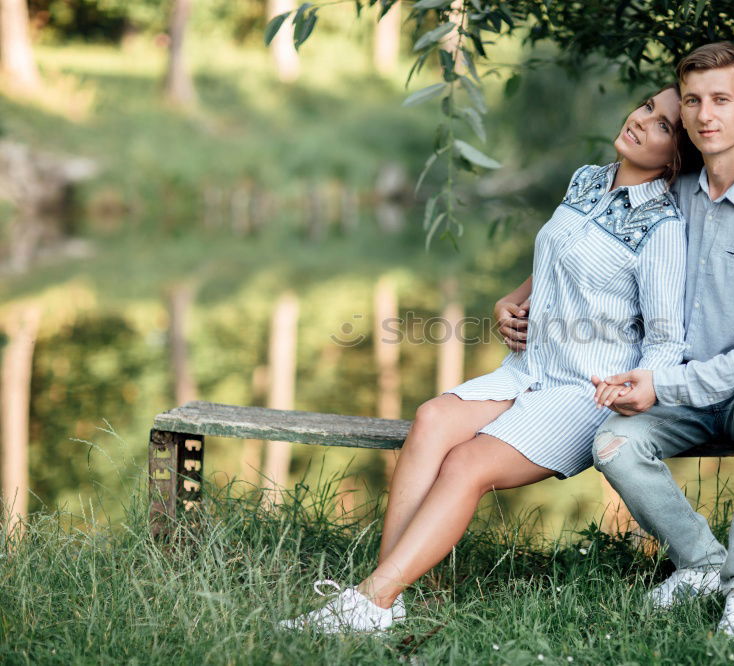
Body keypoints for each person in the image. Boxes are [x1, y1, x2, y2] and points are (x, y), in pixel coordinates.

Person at [279, 85, 691, 634]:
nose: (641, 121)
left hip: (583, 393)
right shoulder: (588, 179)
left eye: (662, 125)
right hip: (528, 370)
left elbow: (667, 337)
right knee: (431, 418)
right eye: (646, 107)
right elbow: (558, 257)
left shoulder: (662, 228)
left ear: (675, 159)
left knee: (466, 464)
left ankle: (369, 601)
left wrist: (640, 385)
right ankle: (384, 599)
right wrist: (512, 300)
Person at [589, 41, 734, 639]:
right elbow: (595, 247)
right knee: (611, 441)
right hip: (683, 392)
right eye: (693, 101)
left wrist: (668, 382)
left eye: (721, 99)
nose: (705, 113)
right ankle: (703, 562)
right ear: (683, 114)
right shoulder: (673, 188)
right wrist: (524, 300)